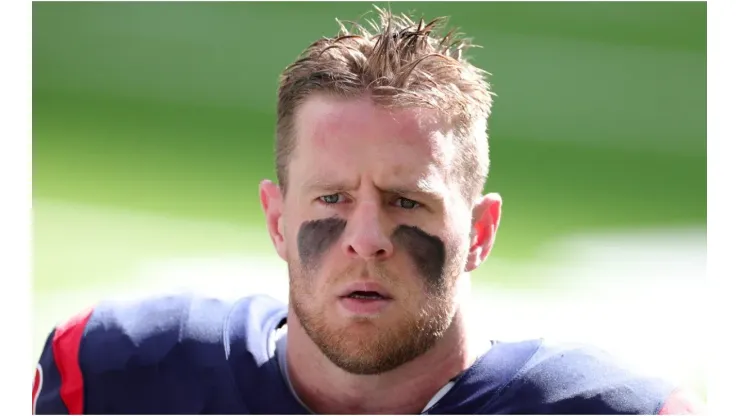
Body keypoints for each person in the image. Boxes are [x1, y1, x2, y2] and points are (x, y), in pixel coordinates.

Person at [32, 8, 705, 414]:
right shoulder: (124, 377)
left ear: (480, 231)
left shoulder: (608, 411)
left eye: (406, 200)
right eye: (332, 198)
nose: (367, 237)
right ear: (276, 219)